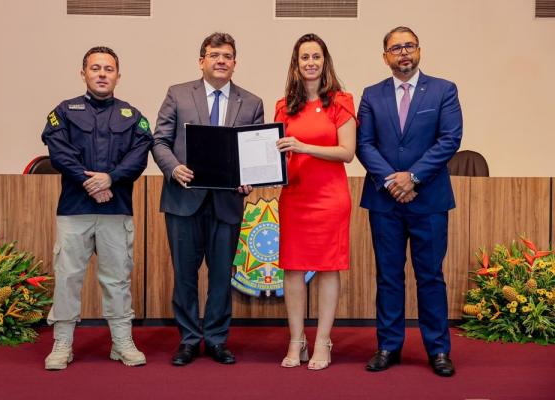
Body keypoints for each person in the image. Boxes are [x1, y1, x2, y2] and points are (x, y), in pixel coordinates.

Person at [152, 32, 264, 366]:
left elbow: (255, 153)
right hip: (183, 200)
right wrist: (174, 168)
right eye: (214, 55)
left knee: (220, 278)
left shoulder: (252, 102)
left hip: (227, 203)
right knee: (184, 276)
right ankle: (188, 339)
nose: (220, 61)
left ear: (234, 62)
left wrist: (250, 180)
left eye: (227, 56)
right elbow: (159, 141)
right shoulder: (177, 94)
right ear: (202, 60)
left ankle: (216, 339)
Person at [356, 26, 462, 377]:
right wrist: (392, 180)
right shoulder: (371, 95)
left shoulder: (444, 90)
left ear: (419, 51)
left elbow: (449, 139)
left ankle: (438, 350)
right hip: (384, 202)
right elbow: (364, 144)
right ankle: (388, 346)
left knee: (430, 276)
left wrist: (412, 177)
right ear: (384, 56)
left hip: (428, 200)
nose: (403, 52)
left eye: (409, 46)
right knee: (388, 277)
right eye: (395, 48)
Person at [41, 46, 153, 370]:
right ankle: (62, 344)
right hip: (74, 209)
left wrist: (111, 179)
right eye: (95, 68)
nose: (102, 73)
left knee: (117, 279)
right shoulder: (64, 111)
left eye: (108, 68)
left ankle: (122, 342)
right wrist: (91, 182)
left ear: (118, 75)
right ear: (83, 73)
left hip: (115, 210)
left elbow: (139, 154)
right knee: (67, 278)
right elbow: (59, 152)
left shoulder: (132, 116)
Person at [275, 33, 356, 371]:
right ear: (296, 64)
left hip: (329, 198)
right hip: (294, 197)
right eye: (303, 57)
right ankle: (297, 340)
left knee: (327, 269)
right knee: (292, 270)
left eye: (316, 57)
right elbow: (274, 154)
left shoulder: (342, 100)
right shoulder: (283, 105)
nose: (310, 62)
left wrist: (304, 146)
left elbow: (347, 152)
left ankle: (323, 340)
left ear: (325, 62)